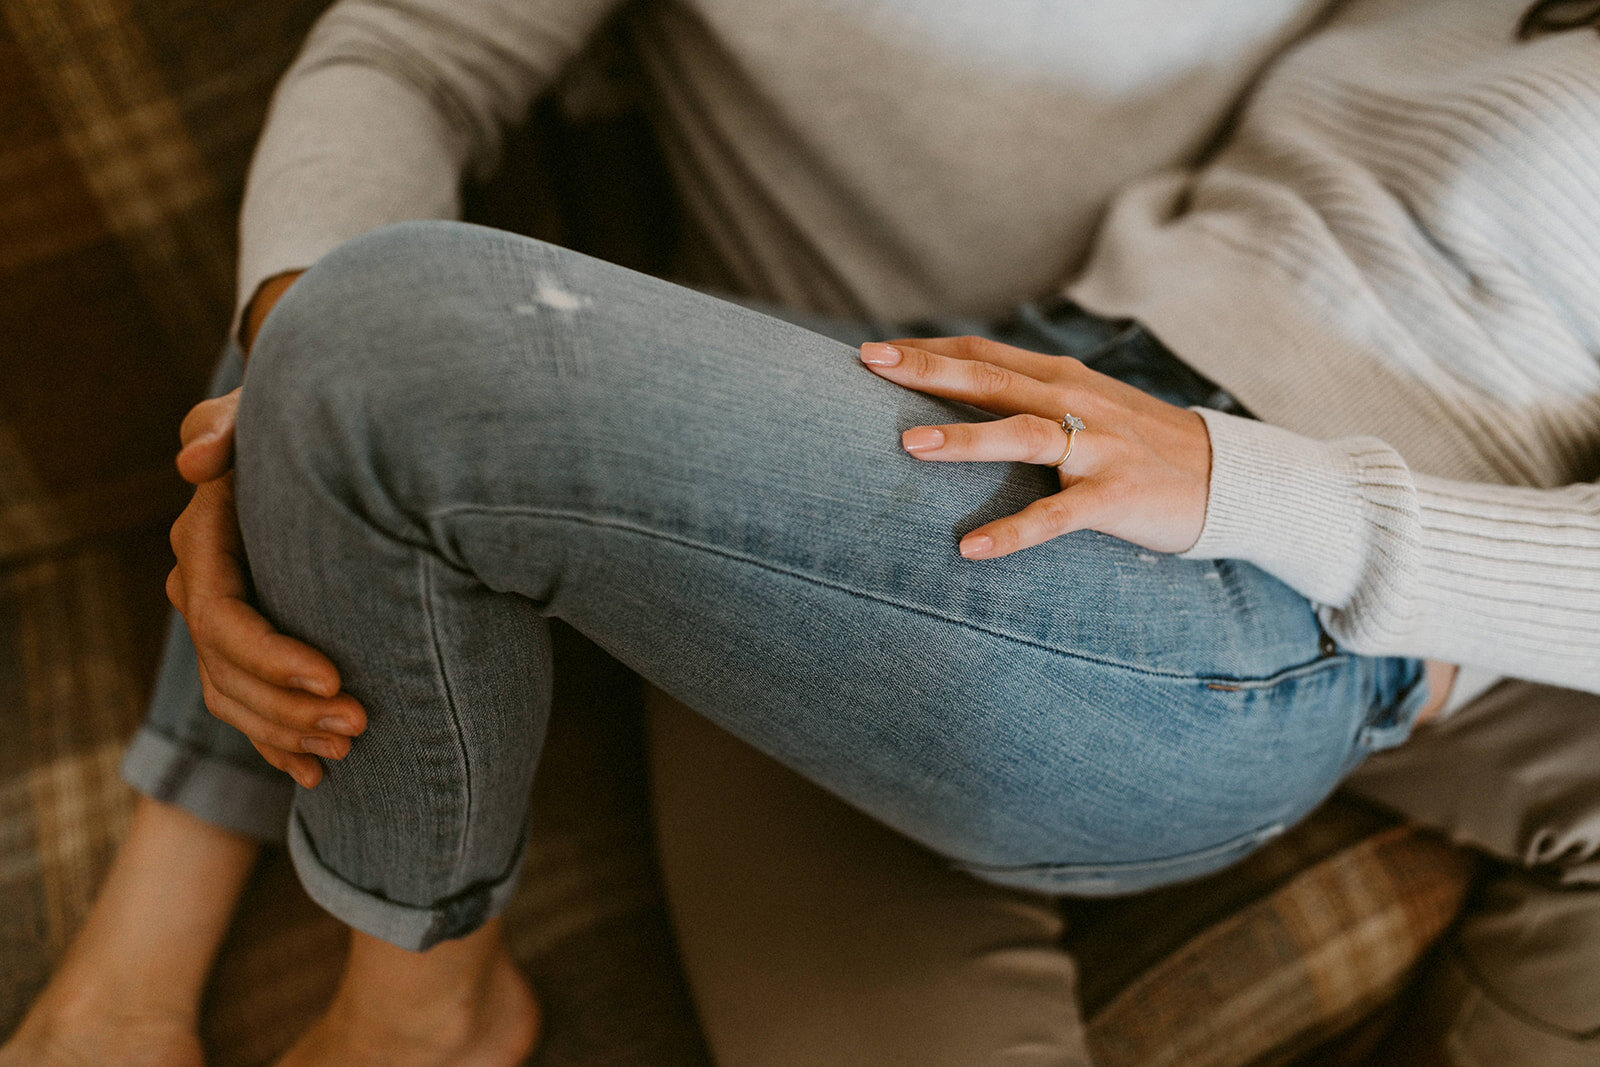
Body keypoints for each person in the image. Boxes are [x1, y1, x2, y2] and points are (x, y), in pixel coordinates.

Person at [5, 0, 1599, 1065]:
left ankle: (418, 1009)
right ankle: (164, 940)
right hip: (870, 436)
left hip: (1234, 555)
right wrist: (281, 438)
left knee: (372, 332)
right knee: (328, 311)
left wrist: (1251, 485)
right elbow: (406, 61)